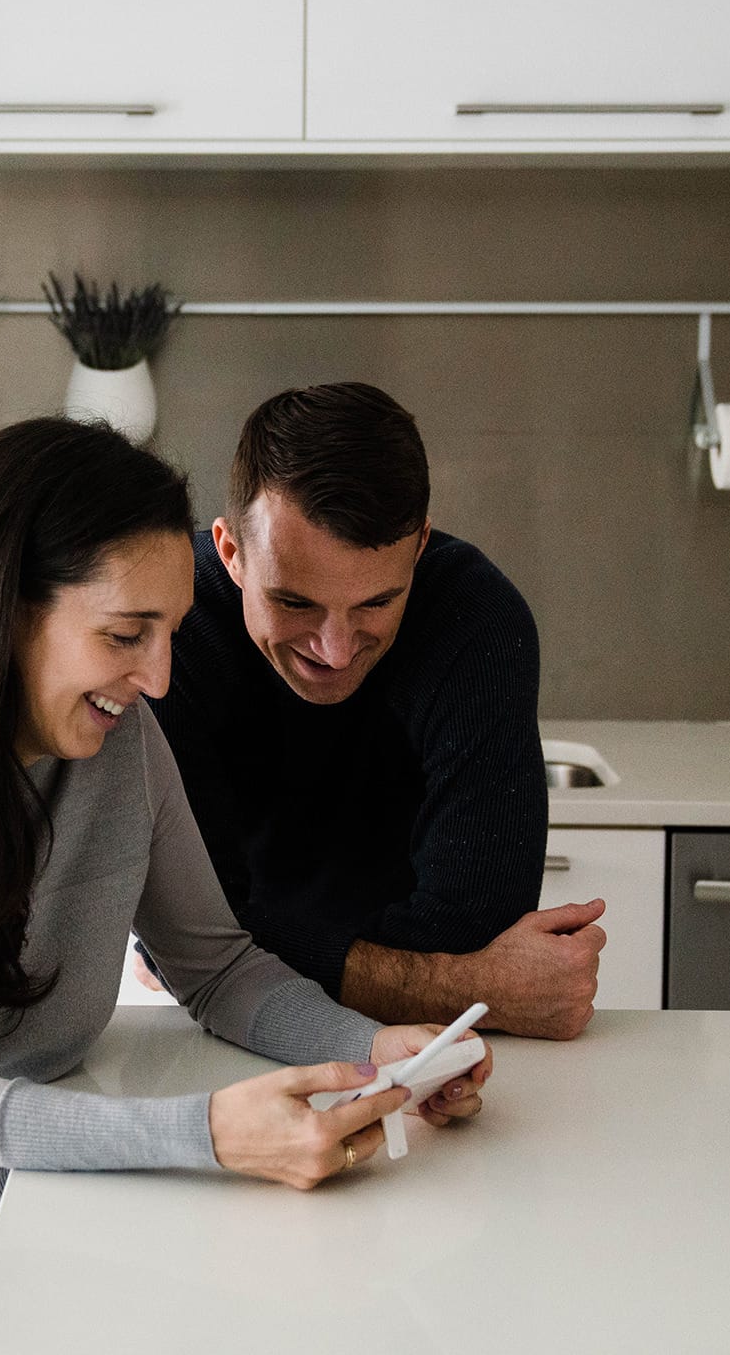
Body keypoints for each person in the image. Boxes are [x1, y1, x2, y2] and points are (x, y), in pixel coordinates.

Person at [0, 416, 492, 1355]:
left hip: (59, 1218)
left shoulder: (118, 743)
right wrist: (208, 1133)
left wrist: (378, 1054)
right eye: (127, 634)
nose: (158, 678)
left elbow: (218, 967)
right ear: (1, 608)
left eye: (169, 633)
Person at [148, 383, 605, 1040]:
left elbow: (476, 926)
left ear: (418, 547)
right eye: (295, 603)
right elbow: (196, 950)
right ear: (230, 552)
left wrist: (236, 947)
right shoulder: (172, 623)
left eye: (374, 604)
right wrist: (470, 984)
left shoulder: (476, 619)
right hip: (215, 1030)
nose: (334, 651)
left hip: (432, 1048)